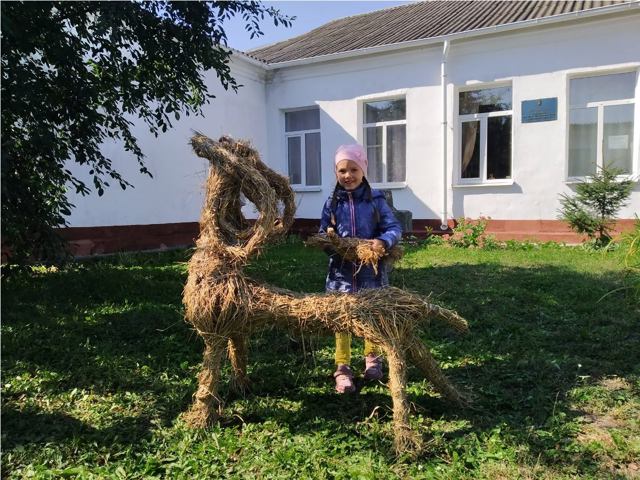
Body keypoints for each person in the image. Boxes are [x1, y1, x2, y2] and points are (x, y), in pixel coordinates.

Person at [319, 144, 402, 393]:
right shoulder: (332, 202)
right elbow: (323, 233)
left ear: (363, 170)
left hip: (371, 272)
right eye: (342, 170)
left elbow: (394, 228)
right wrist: (331, 243)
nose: (348, 175)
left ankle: (372, 359)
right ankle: (342, 368)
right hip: (340, 274)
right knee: (341, 320)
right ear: (336, 173)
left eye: (353, 169)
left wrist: (383, 242)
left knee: (371, 315)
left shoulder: (376, 200)